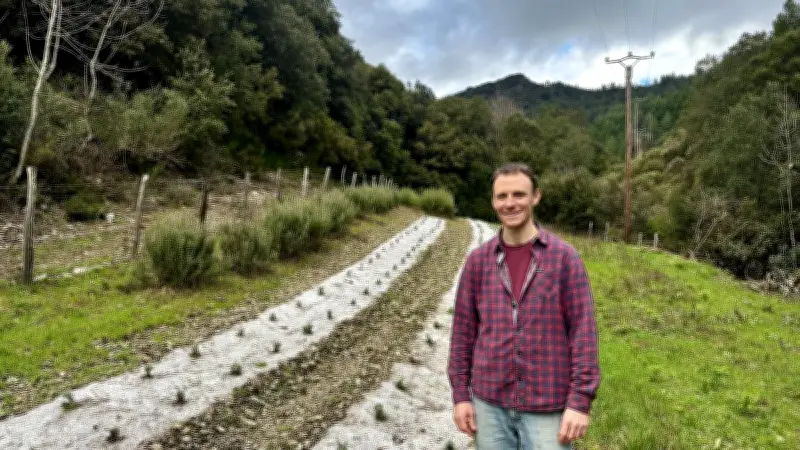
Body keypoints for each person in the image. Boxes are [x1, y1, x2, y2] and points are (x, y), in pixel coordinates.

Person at [447, 162, 601, 449]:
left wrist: (580, 402)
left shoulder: (565, 259)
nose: (510, 203)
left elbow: (583, 333)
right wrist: (461, 396)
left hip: (548, 405)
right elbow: (462, 334)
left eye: (519, 194)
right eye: (502, 196)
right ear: (493, 201)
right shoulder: (477, 262)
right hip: (489, 404)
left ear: (535, 197)